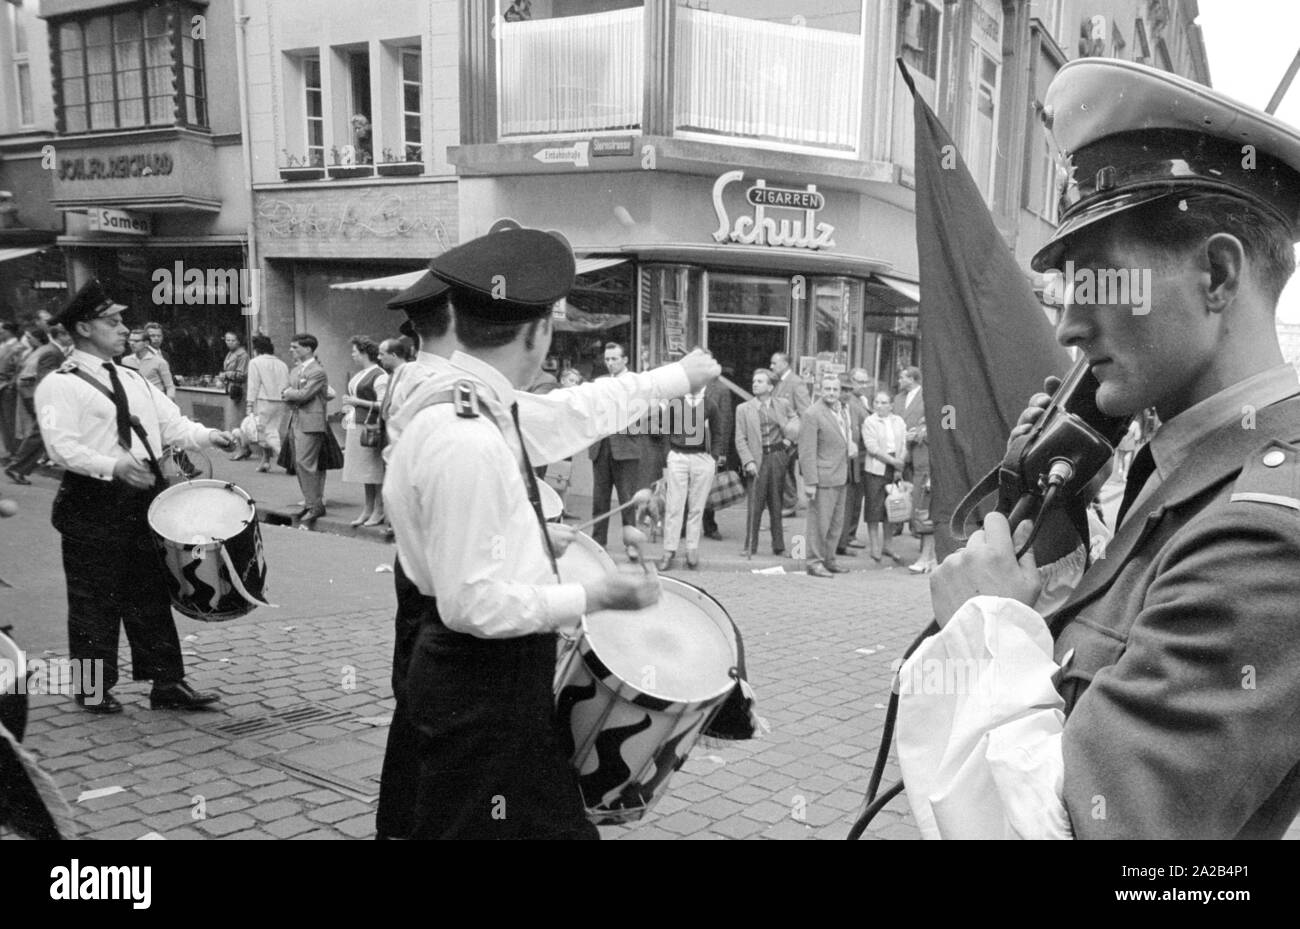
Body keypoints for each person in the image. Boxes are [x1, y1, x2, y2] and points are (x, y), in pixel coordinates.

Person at [913, 58, 1300, 839]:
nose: (1066, 327)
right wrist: (1052, 523)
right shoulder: (1188, 470)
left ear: (1217, 274)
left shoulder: (1268, 534)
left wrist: (985, 626)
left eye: (1098, 282)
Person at [384, 226, 718, 839]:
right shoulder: (466, 430)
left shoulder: (478, 404)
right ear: (539, 333)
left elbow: (571, 416)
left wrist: (533, 540)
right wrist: (596, 596)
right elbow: (472, 603)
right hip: (480, 679)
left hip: (481, 675)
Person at [33, 280, 233, 714]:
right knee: (91, 602)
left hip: (144, 498)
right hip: (91, 500)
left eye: (123, 320)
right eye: (113, 321)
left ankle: (167, 683)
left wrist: (212, 436)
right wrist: (114, 465)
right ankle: (91, 688)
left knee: (150, 593)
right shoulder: (59, 384)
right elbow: (59, 447)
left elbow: (173, 424)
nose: (124, 328)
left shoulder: (132, 377)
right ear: (84, 328)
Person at [656, 357, 724, 571]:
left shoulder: (710, 404)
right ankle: (669, 549)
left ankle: (692, 548)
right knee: (675, 505)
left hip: (702, 458)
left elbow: (719, 431)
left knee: (697, 506)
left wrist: (714, 456)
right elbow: (665, 431)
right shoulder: (675, 403)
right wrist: (668, 456)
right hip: (678, 456)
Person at [588, 342, 648, 547]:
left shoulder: (635, 383)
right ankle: (598, 543)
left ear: (625, 360)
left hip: (626, 448)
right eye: (607, 359)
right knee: (599, 500)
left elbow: (643, 415)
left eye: (614, 359)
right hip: (601, 448)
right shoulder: (600, 383)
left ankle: (631, 544)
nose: (610, 363)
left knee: (627, 500)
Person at [734, 367, 798, 557]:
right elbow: (740, 438)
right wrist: (748, 461)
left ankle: (779, 546)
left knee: (776, 502)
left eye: (760, 381)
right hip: (757, 458)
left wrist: (789, 441)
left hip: (777, 457)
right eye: (754, 381)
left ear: (770, 387)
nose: (755, 384)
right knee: (755, 503)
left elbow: (796, 421)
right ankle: (750, 545)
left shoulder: (782, 404)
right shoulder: (743, 409)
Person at [798, 373, 855, 577]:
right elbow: (806, 450)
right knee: (819, 524)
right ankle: (814, 562)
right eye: (828, 389)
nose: (831, 393)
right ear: (821, 390)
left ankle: (830, 559)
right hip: (823, 479)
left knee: (835, 524)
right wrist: (810, 481)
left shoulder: (841, 411)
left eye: (835, 389)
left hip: (841, 476)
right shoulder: (812, 414)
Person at [6, 326, 72, 485]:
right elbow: (46, 377)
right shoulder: (52, 352)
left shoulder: (52, 350)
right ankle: (16, 468)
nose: (70, 338)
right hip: (50, 400)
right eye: (68, 335)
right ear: (60, 335)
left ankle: (18, 467)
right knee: (40, 435)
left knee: (42, 434)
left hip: (49, 399)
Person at [281, 333, 331, 525]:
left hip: (311, 423)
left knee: (306, 463)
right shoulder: (296, 371)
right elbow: (286, 391)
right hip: (296, 420)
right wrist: (289, 393)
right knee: (299, 463)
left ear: (308, 349)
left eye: (295, 347)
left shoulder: (317, 371)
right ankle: (310, 502)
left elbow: (304, 394)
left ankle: (315, 505)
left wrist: (289, 393)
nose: (291, 350)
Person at [341, 335, 388, 527]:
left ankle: (379, 509)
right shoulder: (360, 374)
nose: (352, 355)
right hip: (357, 425)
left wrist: (357, 402)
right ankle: (368, 508)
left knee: (373, 470)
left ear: (364, 353)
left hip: (371, 427)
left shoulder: (380, 375)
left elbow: (384, 404)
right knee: (364, 472)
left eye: (354, 352)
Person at [860, 390, 907, 564]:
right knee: (874, 506)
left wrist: (899, 463)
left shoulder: (899, 421)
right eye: (877, 403)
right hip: (876, 468)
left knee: (892, 507)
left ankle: (888, 545)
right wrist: (893, 461)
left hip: (895, 466)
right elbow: (872, 448)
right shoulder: (870, 422)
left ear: (891, 405)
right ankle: (874, 546)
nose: (879, 406)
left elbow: (903, 444)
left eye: (884, 402)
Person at [837, 372, 871, 559]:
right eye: (843, 389)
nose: (846, 393)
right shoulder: (826, 409)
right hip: (833, 466)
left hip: (853, 464)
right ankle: (826, 550)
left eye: (848, 389)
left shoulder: (853, 406)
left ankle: (842, 544)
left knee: (849, 504)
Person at [771, 351, 810, 515]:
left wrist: (796, 436)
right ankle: (787, 502)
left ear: (785, 364)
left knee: (783, 469)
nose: (771, 366)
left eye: (774, 363)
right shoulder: (778, 383)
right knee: (781, 469)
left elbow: (805, 411)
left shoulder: (796, 383)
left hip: (790, 436)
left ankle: (789, 503)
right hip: (777, 435)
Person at [244, 334, 290, 472]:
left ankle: (286, 460)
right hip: (281, 401)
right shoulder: (282, 364)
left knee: (266, 432)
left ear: (256, 348)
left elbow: (253, 384)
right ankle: (265, 460)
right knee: (272, 430)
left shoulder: (255, 362)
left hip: (264, 400)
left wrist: (249, 404)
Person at [219, 331, 250, 459]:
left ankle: (242, 449)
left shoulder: (242, 355)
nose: (230, 343)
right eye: (227, 340)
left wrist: (226, 375)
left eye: (233, 340)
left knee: (237, 421)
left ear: (239, 341)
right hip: (231, 389)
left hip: (239, 391)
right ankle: (243, 448)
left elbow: (242, 374)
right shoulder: (230, 353)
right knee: (234, 421)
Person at [0, 321, 27, 461]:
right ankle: (9, 450)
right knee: (3, 421)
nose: (0, 333)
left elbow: (19, 367)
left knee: (10, 419)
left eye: (2, 331)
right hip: (1, 384)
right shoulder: (3, 345)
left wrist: (11, 382)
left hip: (7, 385)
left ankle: (15, 451)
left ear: (9, 331)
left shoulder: (17, 347)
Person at [121, 329, 175, 398]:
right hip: (135, 401)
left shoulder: (160, 362)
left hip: (155, 401)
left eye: (136, 341)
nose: (132, 343)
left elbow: (169, 386)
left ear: (146, 343)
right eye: (130, 340)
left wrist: (168, 403)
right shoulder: (125, 361)